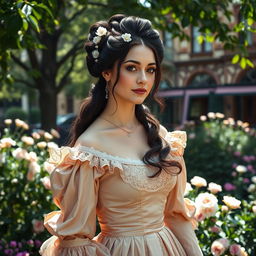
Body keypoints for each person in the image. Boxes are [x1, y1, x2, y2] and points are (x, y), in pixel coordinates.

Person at [39, 14, 203, 256]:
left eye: (150, 70)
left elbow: (176, 216)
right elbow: (75, 239)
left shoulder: (161, 137)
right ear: (107, 72)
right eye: (131, 68)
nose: (143, 80)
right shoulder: (90, 149)